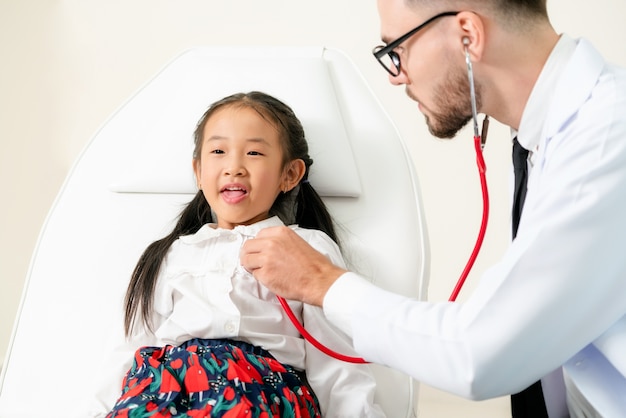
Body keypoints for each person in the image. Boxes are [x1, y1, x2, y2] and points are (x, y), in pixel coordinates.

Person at [240, 1, 626, 417]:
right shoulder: (545, 139)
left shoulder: (608, 138)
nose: (397, 76)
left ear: (468, 35)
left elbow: (480, 353)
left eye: (398, 49)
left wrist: (323, 282)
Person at [90, 91, 384, 417]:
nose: (234, 167)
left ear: (290, 174)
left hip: (258, 396)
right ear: (198, 171)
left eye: (254, 152)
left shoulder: (306, 247)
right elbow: (125, 351)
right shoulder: (169, 255)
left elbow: (336, 362)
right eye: (218, 151)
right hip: (166, 396)